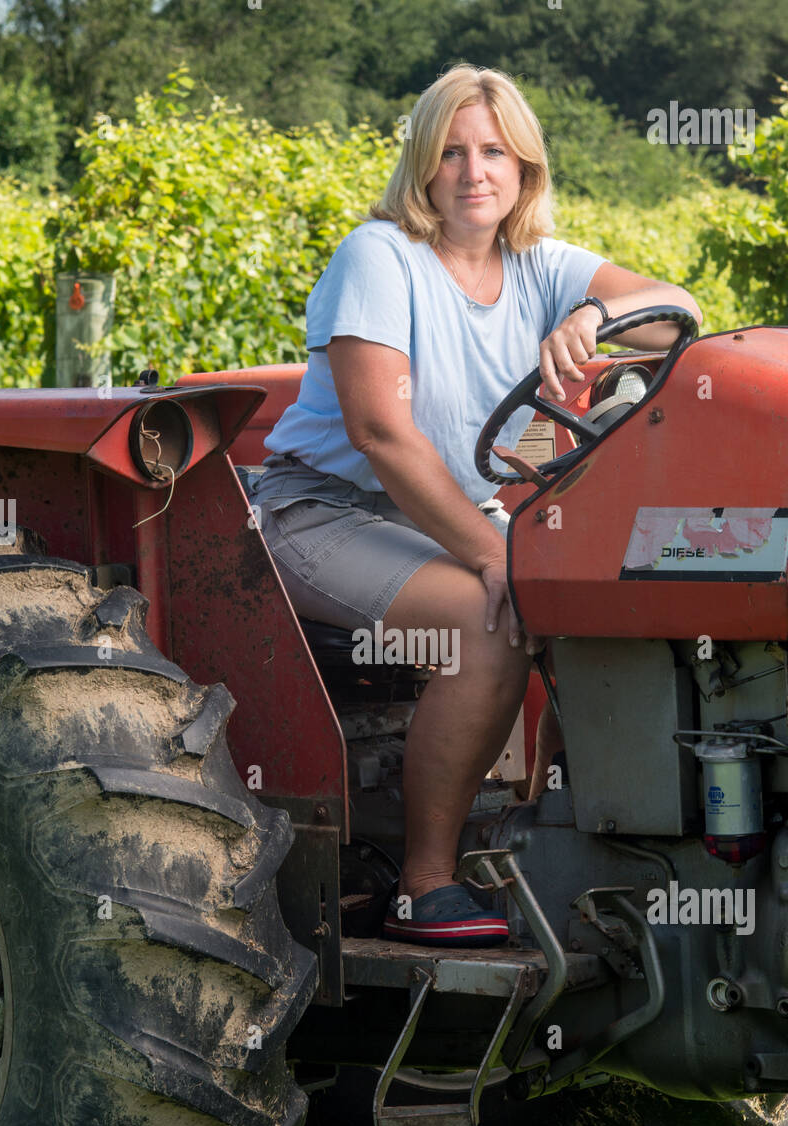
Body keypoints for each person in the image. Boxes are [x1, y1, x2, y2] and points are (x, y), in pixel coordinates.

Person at [245, 63, 702, 948]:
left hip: (437, 510)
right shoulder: (378, 257)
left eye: (494, 151)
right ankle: (423, 882)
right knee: (487, 620)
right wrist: (494, 556)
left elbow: (678, 308)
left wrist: (593, 316)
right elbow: (381, 433)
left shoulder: (539, 266)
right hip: (324, 510)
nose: (473, 171)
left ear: (524, 169)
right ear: (422, 166)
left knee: (593, 603)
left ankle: (556, 851)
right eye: (451, 151)